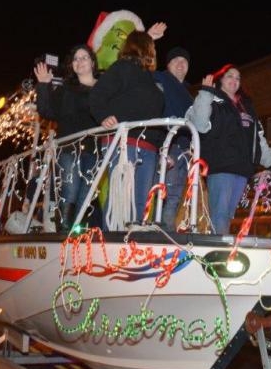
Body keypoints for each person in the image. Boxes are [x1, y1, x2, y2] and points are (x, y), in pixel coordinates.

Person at [186, 64, 271, 234]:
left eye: (238, 78)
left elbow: (257, 139)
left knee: (228, 215)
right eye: (230, 76)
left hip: (242, 169)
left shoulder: (246, 106)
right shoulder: (213, 100)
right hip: (221, 167)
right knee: (220, 214)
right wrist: (206, 92)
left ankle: (222, 249)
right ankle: (219, 253)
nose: (234, 80)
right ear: (220, 79)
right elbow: (199, 124)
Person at [89, 29, 165, 230]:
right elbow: (97, 95)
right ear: (144, 47)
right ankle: (109, 248)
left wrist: (161, 149)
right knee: (119, 202)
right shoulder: (122, 68)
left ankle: (130, 248)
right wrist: (104, 116)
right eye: (153, 47)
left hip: (148, 147)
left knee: (139, 204)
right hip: (125, 143)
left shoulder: (150, 78)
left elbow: (154, 118)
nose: (155, 51)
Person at [34, 44, 100, 231]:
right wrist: (44, 85)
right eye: (76, 59)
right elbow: (47, 111)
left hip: (94, 149)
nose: (80, 62)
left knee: (87, 195)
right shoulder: (66, 89)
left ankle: (78, 234)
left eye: (84, 57)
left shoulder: (103, 88)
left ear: (93, 62)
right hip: (69, 148)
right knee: (69, 191)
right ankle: (64, 234)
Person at [153, 47, 194, 231]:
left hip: (184, 150)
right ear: (167, 65)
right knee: (163, 193)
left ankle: (167, 233)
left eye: (184, 61)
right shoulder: (160, 79)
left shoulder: (188, 92)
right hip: (167, 145)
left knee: (176, 196)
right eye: (175, 60)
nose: (180, 64)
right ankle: (160, 234)